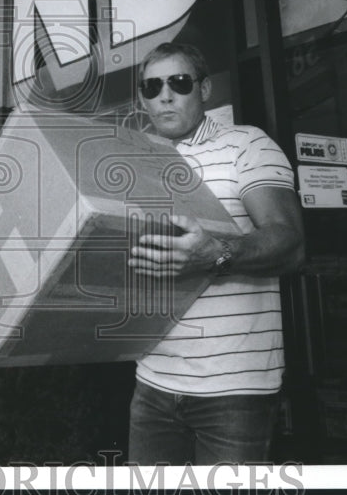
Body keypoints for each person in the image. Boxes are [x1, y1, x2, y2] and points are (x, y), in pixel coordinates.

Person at [127, 42, 304, 464]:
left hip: (234, 388)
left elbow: (291, 243)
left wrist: (216, 253)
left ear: (204, 89)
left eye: (178, 83)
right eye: (152, 87)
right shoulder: (133, 159)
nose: (164, 96)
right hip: (152, 380)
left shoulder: (246, 144)